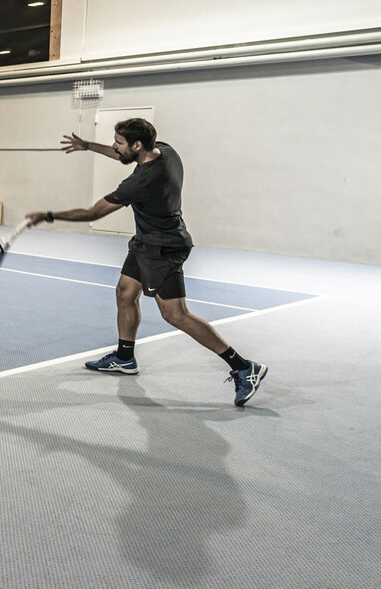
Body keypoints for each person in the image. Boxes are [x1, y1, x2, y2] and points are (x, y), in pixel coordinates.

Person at [25, 118, 267, 407]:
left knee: (176, 315)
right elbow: (122, 156)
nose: (115, 147)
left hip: (164, 249)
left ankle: (243, 367)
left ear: (137, 145)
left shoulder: (140, 182)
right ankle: (125, 358)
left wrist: (49, 215)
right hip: (146, 243)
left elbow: (92, 213)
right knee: (125, 292)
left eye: (119, 142)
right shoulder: (166, 151)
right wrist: (88, 146)